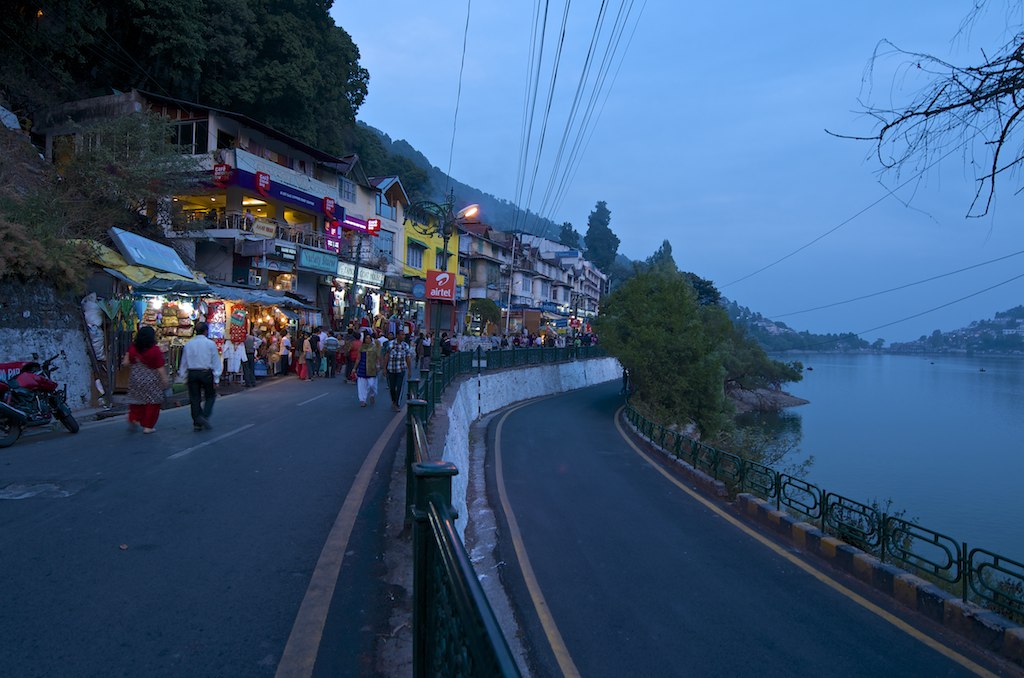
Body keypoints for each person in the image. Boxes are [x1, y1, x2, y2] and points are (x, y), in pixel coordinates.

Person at [123, 325, 169, 434]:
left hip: (135, 379)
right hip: (151, 381)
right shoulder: (155, 351)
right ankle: (148, 426)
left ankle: (133, 418)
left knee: (136, 401)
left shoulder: (132, 348)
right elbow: (160, 368)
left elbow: (125, 363)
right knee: (153, 403)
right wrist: (165, 380)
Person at [178, 321, 222, 431]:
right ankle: (204, 416)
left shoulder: (189, 344)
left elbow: (184, 362)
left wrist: (183, 376)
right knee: (210, 396)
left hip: (192, 373)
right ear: (206, 331)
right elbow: (216, 361)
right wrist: (216, 378)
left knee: (194, 398)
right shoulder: (210, 344)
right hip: (206, 373)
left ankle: (197, 421)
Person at [383, 329, 413, 411]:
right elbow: (386, 356)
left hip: (401, 369)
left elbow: (408, 358)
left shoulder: (405, 346)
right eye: (402, 335)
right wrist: (384, 368)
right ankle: (393, 401)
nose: (403, 336)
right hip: (391, 369)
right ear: (397, 336)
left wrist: (409, 370)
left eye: (404, 335)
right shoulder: (390, 344)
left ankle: (397, 404)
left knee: (399, 388)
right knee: (392, 387)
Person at [355, 327, 381, 407]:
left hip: (372, 369)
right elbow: (358, 358)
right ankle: (362, 400)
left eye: (369, 338)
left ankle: (372, 394)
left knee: (372, 385)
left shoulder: (374, 347)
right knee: (362, 386)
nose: (368, 339)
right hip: (362, 368)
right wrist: (354, 368)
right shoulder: (361, 348)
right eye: (366, 338)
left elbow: (377, 357)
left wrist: (378, 365)